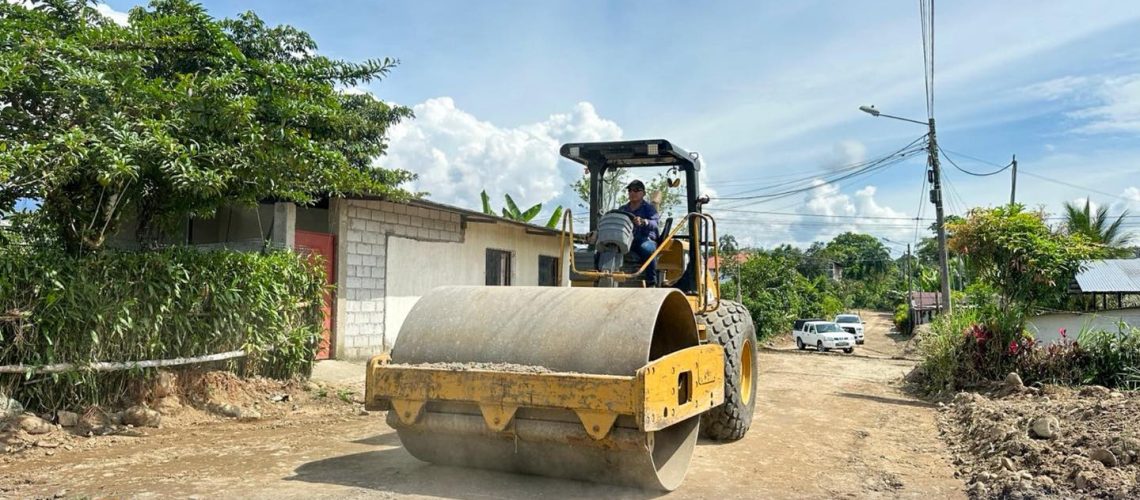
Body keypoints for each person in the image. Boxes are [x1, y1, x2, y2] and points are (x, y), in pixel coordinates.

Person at [619, 179, 660, 287]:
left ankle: (651, 282)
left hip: (644, 239)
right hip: (625, 240)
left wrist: (644, 222)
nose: (632, 193)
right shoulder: (623, 209)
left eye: (636, 190)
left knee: (648, 249)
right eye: (630, 190)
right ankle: (599, 276)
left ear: (643, 193)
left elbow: (655, 223)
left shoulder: (649, 209)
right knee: (603, 249)